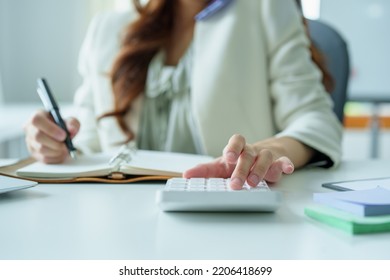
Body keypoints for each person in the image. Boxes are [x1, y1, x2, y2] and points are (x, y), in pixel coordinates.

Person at [24, 0, 342, 189]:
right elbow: (87, 143)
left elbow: (316, 120)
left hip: (232, 212)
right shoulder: (108, 29)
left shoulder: (265, 8)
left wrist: (269, 149)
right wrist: (55, 144)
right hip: (121, 220)